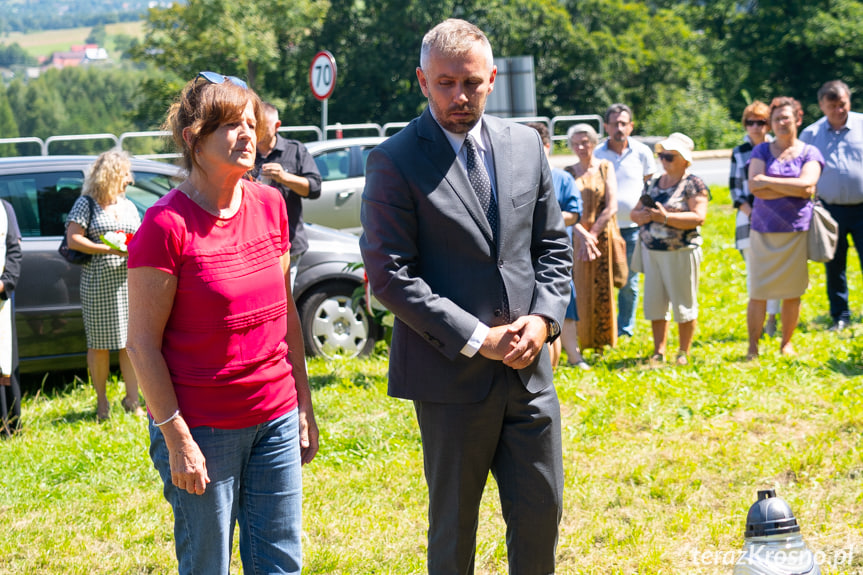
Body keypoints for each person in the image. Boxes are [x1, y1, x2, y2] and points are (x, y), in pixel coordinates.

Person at [360, 20, 572, 574]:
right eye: (446, 82)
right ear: (422, 81)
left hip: (529, 374)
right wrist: (480, 339)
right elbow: (390, 275)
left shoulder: (525, 144)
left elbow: (551, 244)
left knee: (541, 513)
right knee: (454, 527)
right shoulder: (395, 160)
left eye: (472, 83)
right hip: (450, 378)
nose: (460, 95)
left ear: (492, 79)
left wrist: (545, 320)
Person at [126, 71, 319, 575]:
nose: (247, 134)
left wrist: (303, 404)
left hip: (275, 417)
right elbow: (141, 344)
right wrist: (176, 437)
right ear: (193, 138)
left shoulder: (271, 204)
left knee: (281, 563)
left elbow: (286, 315)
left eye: (250, 123)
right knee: (207, 565)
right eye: (230, 125)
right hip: (203, 429)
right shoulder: (164, 226)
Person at [65, 150, 143, 421]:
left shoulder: (128, 205)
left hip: (128, 283)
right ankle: (102, 403)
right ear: (110, 174)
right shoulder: (86, 204)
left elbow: (140, 238)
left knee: (129, 344)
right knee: (99, 346)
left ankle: (132, 400)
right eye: (125, 174)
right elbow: (73, 239)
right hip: (99, 285)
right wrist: (106, 249)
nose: (129, 180)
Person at [747, 97, 824, 358]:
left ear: (798, 120)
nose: (780, 123)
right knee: (758, 291)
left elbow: (808, 186)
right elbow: (754, 187)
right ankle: (752, 347)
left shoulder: (809, 153)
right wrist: (794, 187)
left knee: (793, 292)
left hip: (795, 231)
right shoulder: (761, 151)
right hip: (762, 230)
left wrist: (768, 182)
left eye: (786, 118)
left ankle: (786, 343)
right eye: (776, 119)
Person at [630, 132, 709, 366]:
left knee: (684, 303)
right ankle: (659, 350)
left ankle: (683, 351)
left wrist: (664, 219)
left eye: (670, 157)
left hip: (681, 252)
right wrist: (645, 216)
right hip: (652, 251)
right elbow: (634, 213)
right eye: (661, 156)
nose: (664, 161)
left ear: (685, 159)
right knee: (655, 303)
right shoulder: (654, 182)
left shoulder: (693, 183)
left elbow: (698, 217)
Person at [800, 80, 863, 332]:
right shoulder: (811, 134)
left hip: (862, 208)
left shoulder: (861, 124)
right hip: (829, 210)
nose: (839, 110)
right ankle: (841, 315)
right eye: (833, 106)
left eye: (843, 104)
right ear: (822, 106)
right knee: (834, 265)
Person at [526, 121, 586, 369]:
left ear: (548, 146)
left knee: (560, 308)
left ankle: (571, 357)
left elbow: (575, 213)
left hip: (554, 254)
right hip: (524, 258)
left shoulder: (561, 177)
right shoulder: (517, 176)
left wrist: (545, 217)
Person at [594, 103, 657, 338]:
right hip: (603, 228)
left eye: (624, 123)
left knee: (628, 282)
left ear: (631, 126)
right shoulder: (597, 154)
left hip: (633, 229)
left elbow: (650, 186)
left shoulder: (642, 152)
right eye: (614, 124)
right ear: (606, 126)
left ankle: (625, 330)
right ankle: (604, 327)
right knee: (602, 281)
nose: (619, 128)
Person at [251, 102, 322, 287]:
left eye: (263, 128)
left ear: (277, 126)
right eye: (254, 126)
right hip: (254, 244)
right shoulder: (246, 152)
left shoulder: (295, 149)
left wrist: (284, 177)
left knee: (283, 297)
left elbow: (314, 189)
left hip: (289, 242)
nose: (257, 133)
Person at [565, 122, 620, 354]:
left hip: (602, 236)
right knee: (580, 287)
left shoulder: (605, 167)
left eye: (585, 142)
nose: (581, 147)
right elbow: (563, 207)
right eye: (576, 143)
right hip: (577, 236)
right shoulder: (568, 172)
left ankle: (603, 340)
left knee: (602, 288)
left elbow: (611, 205)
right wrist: (583, 234)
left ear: (594, 143)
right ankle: (580, 340)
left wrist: (594, 234)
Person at [729, 101, 780, 336]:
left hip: (777, 217)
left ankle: (772, 319)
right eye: (750, 122)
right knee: (754, 271)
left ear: (768, 125)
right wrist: (752, 213)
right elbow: (735, 190)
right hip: (748, 217)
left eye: (760, 122)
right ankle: (756, 321)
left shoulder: (777, 148)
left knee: (777, 269)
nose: (755, 127)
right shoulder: (739, 152)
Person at [0, 199, 22, 437]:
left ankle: (8, 426)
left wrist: (4, 282)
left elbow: (14, 250)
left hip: (0, 302)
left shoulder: (5, 209)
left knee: (4, 362)